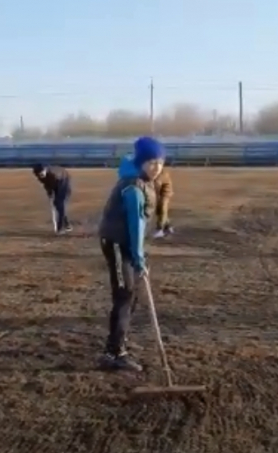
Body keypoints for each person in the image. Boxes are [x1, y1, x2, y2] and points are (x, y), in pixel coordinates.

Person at [97, 136, 166, 372]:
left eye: (159, 162)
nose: (155, 167)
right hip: (117, 242)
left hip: (127, 242)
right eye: (150, 162)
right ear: (141, 162)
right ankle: (113, 353)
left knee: (132, 293)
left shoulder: (145, 181)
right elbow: (135, 223)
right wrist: (138, 257)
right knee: (124, 294)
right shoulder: (134, 186)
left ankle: (119, 342)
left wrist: (138, 256)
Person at [32, 164, 72, 233]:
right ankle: (66, 224)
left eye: (42, 173)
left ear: (45, 170)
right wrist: (49, 192)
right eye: (39, 175)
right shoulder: (39, 175)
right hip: (56, 182)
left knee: (59, 204)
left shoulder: (55, 175)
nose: (40, 175)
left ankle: (61, 227)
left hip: (63, 181)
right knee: (57, 204)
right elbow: (46, 184)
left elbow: (56, 186)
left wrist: (51, 193)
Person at [152, 167, 175, 238]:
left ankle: (160, 229)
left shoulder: (160, 173)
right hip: (160, 192)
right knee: (159, 209)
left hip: (165, 192)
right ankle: (168, 227)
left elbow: (157, 184)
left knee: (162, 208)